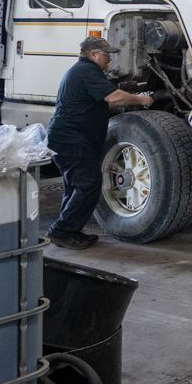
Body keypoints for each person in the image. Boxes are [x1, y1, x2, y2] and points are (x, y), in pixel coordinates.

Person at [46, 37, 152, 249]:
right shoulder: (86, 70)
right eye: (106, 55)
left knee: (75, 186)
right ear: (93, 54)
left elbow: (99, 103)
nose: (110, 60)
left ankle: (69, 231)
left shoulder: (82, 71)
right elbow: (113, 98)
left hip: (69, 138)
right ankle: (61, 232)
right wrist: (142, 99)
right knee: (89, 185)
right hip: (71, 139)